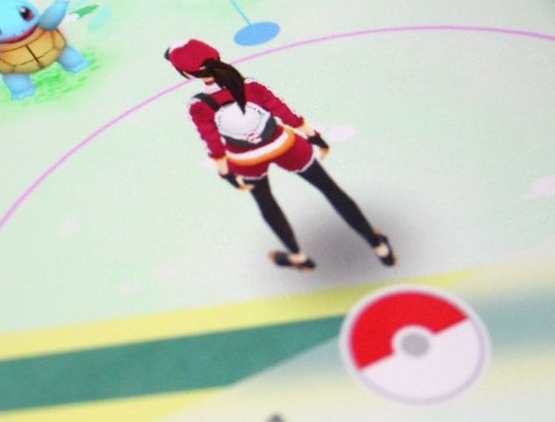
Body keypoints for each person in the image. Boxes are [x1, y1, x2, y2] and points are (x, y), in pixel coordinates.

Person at [165, 39, 395, 272]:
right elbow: (285, 113)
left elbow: (213, 141)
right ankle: (379, 247)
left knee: (266, 202)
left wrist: (226, 172)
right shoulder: (251, 86)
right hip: (284, 145)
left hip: (245, 159)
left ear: (188, 73)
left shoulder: (198, 105)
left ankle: (298, 257)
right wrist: (314, 136)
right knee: (331, 190)